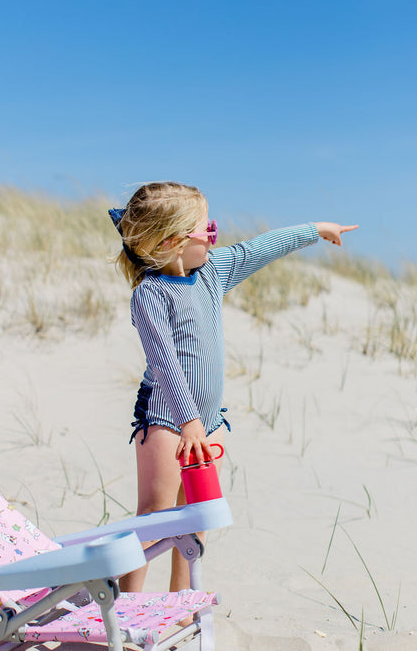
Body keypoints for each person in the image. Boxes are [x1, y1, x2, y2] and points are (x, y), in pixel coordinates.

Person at [109, 181, 358, 593]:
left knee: (196, 519)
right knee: (154, 519)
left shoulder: (211, 272)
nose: (213, 236)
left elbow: (259, 248)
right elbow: (165, 363)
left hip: (208, 425)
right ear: (172, 241)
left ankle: (180, 605)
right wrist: (187, 423)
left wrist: (315, 229)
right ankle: (122, 606)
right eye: (206, 230)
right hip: (168, 422)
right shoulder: (150, 294)